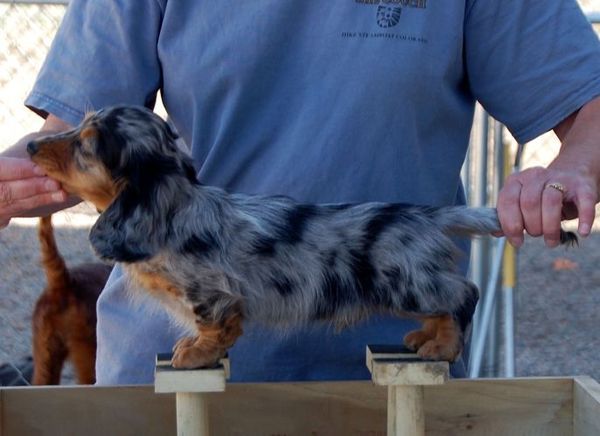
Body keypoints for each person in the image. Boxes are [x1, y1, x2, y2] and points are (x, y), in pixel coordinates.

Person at [2, 0, 599, 384]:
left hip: (389, 384)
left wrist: (575, 166)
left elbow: (590, 106)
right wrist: (12, 182)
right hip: (173, 380)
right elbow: (66, 144)